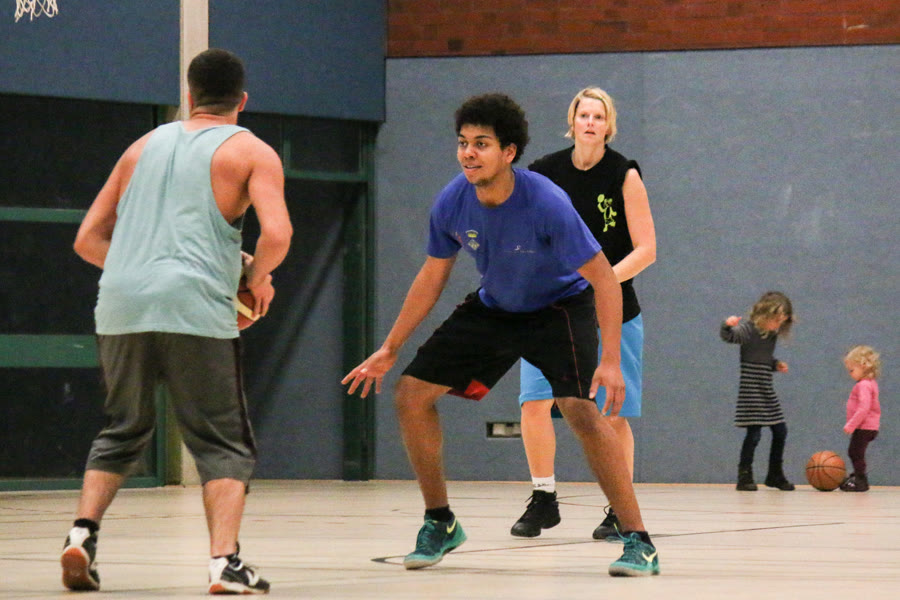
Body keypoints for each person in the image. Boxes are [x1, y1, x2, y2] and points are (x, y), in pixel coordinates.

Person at [342, 93, 660, 577]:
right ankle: (440, 521)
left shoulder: (546, 202)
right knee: (410, 394)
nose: (468, 153)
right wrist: (390, 347)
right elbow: (432, 275)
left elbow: (602, 279)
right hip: (497, 306)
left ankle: (638, 539)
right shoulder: (453, 200)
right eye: (463, 143)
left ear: (508, 152)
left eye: (481, 144)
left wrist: (611, 359)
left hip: (560, 307)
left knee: (579, 409)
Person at [63, 48, 292, 594]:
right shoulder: (251, 150)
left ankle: (81, 534)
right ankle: (224, 563)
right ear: (242, 100)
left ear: (189, 96)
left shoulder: (141, 147)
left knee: (123, 428)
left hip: (121, 304)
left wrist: (142, 267)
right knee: (222, 442)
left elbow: (87, 239)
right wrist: (255, 277)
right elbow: (278, 235)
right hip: (194, 305)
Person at [511, 87, 656, 541]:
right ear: (571, 122)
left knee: (612, 413)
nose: (590, 122)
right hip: (550, 308)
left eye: (598, 116)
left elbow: (647, 249)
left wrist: (600, 282)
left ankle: (619, 508)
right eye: (583, 115)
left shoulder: (624, 174)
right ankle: (543, 497)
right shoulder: (544, 173)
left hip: (611, 310)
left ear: (608, 125)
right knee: (534, 402)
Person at [720, 291, 795, 492]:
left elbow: (762, 359)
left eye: (781, 323)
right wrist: (727, 325)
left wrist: (775, 364)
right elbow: (729, 336)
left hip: (766, 389)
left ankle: (774, 474)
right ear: (765, 314)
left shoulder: (770, 335)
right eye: (776, 320)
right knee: (754, 434)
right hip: (751, 391)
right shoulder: (748, 330)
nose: (777, 326)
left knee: (780, 430)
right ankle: (744, 475)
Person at [839, 345, 881, 492]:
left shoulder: (863, 385)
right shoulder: (870, 383)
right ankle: (858, 474)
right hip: (868, 426)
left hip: (864, 427)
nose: (850, 374)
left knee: (855, 452)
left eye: (852, 370)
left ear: (863, 366)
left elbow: (864, 408)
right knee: (856, 452)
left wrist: (851, 425)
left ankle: (861, 481)